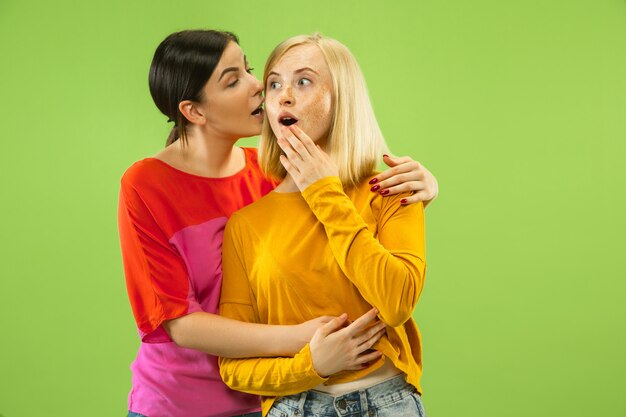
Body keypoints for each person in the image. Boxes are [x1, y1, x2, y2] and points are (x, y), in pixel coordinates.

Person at [118, 30, 437, 417]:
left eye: (251, 71)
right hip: (181, 402)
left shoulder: (271, 174)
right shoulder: (147, 185)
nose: (259, 88)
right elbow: (179, 325)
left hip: (269, 401)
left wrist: (423, 187)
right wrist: (305, 345)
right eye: (234, 80)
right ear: (194, 112)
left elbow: (327, 215)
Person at [218, 34, 429, 417]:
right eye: (274, 83)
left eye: (303, 81)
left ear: (341, 99)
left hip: (385, 403)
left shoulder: (391, 189)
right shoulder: (245, 225)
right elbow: (234, 369)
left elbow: (396, 302)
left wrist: (323, 192)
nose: (283, 96)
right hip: (291, 408)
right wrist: (313, 365)